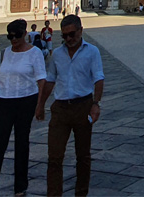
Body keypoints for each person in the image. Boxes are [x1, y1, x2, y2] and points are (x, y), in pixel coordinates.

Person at [40, 14, 104, 197]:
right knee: (54, 157)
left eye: (72, 34)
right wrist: (40, 105)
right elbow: (50, 80)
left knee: (83, 156)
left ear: (81, 31)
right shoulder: (57, 54)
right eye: (65, 35)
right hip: (60, 108)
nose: (68, 39)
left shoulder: (92, 52)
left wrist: (96, 104)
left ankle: (81, 193)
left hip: (83, 106)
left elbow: (99, 79)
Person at [0, 19, 47, 197]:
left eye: (16, 36)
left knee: (22, 144)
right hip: (4, 102)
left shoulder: (35, 53)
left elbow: (42, 79)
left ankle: (20, 187)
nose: (13, 40)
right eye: (9, 36)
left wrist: (40, 105)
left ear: (24, 34)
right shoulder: (4, 53)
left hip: (26, 101)